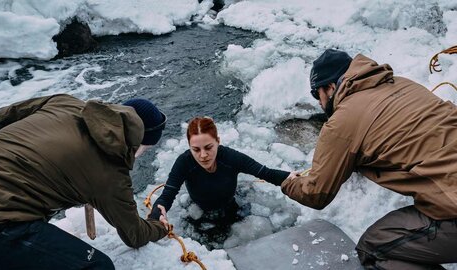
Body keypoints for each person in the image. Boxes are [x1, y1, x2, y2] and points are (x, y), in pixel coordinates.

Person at [281, 49, 457, 269]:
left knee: (373, 248)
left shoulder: (342, 121)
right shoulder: (405, 85)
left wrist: (289, 182)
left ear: (331, 87)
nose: (318, 102)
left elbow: (315, 194)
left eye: (318, 94)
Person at [0, 94, 170, 270]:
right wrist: (160, 226)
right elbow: (135, 235)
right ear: (136, 142)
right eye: (143, 149)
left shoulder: (63, 102)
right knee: (98, 266)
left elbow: (0, 117)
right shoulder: (111, 174)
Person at [149, 117, 298, 228]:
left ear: (218, 141)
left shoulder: (230, 157)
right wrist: (156, 213)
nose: (203, 155)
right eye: (196, 149)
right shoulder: (184, 162)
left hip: (230, 206)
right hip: (200, 211)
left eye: (208, 147)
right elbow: (167, 194)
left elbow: (265, 173)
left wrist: (290, 177)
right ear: (189, 146)